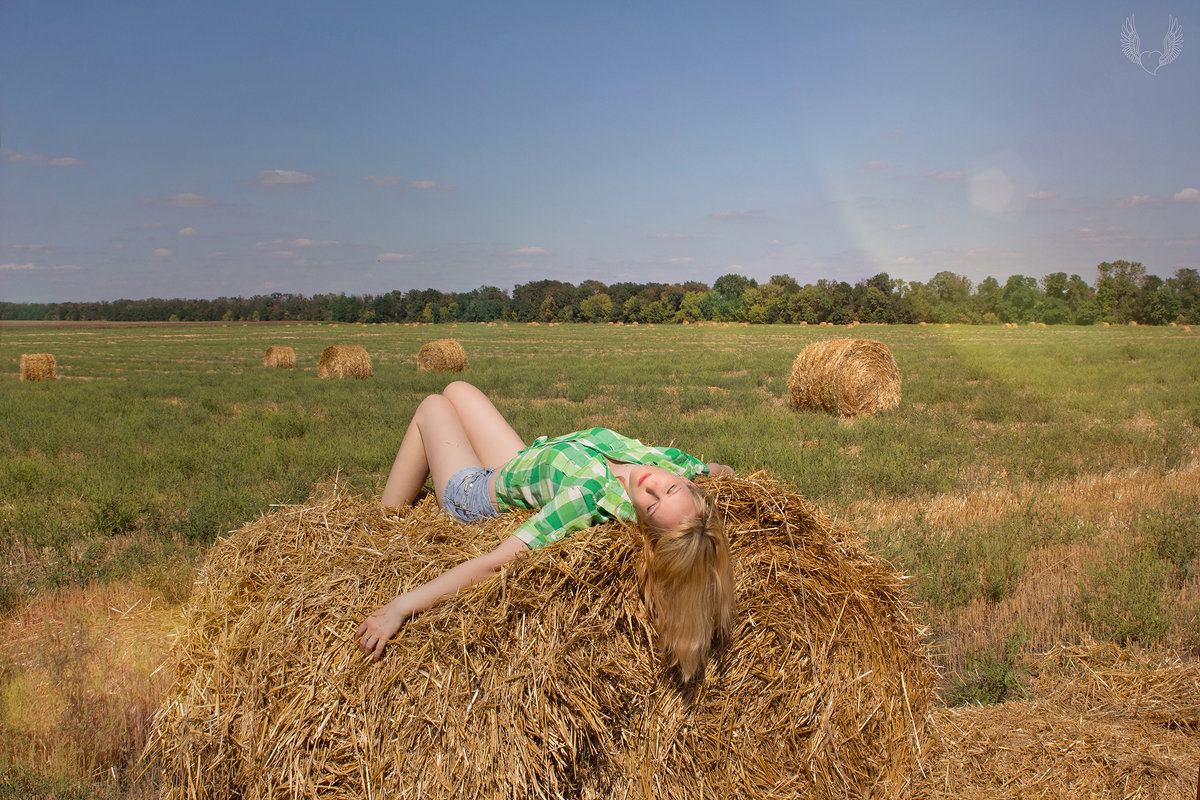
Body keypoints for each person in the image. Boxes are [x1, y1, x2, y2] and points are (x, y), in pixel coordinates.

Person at [355, 380, 735, 682]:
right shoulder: (671, 465)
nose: (651, 485)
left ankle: (382, 523)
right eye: (670, 489)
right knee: (456, 389)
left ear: (645, 521)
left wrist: (400, 607)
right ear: (689, 486)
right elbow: (724, 473)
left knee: (432, 407)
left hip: (475, 495)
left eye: (651, 504)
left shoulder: (587, 499)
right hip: (520, 461)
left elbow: (494, 563)